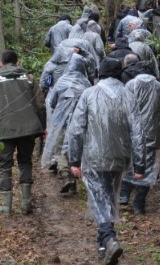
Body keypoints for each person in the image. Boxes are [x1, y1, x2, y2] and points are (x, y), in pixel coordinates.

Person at [66, 58, 145, 264]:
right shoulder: (128, 95)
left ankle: (109, 238)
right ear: (120, 74)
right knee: (107, 195)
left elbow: (76, 129)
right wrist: (140, 163)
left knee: (98, 197)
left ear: (99, 73)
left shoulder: (89, 94)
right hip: (120, 157)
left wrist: (74, 159)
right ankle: (102, 245)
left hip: (93, 156)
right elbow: (137, 132)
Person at [0, 50, 46, 215]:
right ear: (18, 63)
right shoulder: (29, 78)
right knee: (25, 161)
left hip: (3, 130)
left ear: (1, 63)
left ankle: (6, 207)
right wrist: (43, 126)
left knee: (5, 165)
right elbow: (40, 104)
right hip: (28, 129)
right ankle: (26, 203)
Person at [119, 69, 160, 215]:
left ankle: (124, 194)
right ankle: (139, 204)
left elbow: (122, 108)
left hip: (131, 132)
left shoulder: (130, 85)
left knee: (128, 162)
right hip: (152, 133)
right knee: (147, 169)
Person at [40, 54, 92, 194]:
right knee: (76, 148)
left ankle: (66, 177)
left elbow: (52, 102)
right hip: (79, 121)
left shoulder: (62, 81)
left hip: (61, 121)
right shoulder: (86, 83)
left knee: (60, 149)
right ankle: (75, 177)